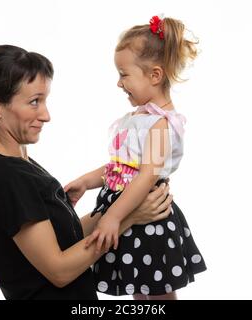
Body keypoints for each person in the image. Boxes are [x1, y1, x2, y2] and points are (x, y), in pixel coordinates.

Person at [0, 44, 173, 300]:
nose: (46, 115)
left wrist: (121, 211)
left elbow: (63, 242)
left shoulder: (19, 164)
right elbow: (59, 270)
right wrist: (127, 220)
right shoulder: (7, 176)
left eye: (44, 100)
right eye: (34, 102)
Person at [64, 16, 207, 300]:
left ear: (155, 75)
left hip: (147, 218)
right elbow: (120, 168)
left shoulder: (161, 123)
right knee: (138, 288)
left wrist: (113, 218)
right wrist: (86, 181)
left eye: (124, 74)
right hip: (125, 212)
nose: (119, 83)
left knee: (157, 292)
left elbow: (146, 176)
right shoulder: (137, 118)